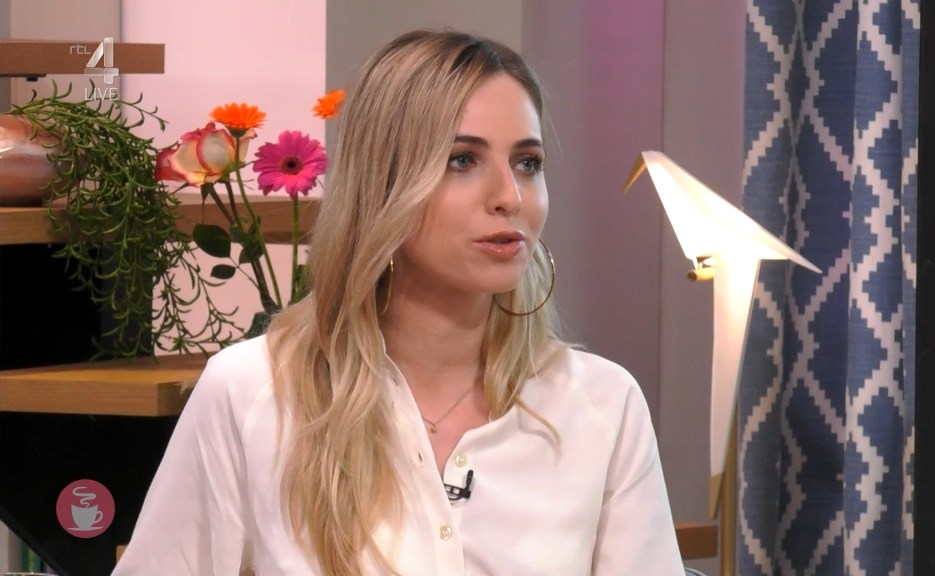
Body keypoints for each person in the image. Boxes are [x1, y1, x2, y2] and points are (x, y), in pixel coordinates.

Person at [114, 29, 686, 576]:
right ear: (384, 183)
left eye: (527, 163)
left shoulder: (603, 406)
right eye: (462, 160)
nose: (510, 197)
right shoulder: (251, 393)